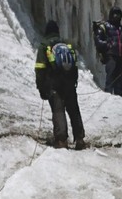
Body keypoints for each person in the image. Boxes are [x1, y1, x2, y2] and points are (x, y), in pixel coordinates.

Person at [33, 19, 87, 149]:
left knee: (58, 110)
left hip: (54, 84)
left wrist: (41, 87)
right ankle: (80, 139)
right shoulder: (67, 45)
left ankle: (61, 140)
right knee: (73, 109)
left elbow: (40, 68)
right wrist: (74, 82)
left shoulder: (45, 45)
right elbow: (74, 66)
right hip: (69, 83)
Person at [92, 7, 122, 96]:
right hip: (111, 55)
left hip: (121, 57)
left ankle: (119, 98)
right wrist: (108, 45)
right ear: (111, 15)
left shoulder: (121, 29)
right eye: (114, 14)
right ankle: (108, 95)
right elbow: (98, 40)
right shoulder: (105, 26)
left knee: (119, 80)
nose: (116, 16)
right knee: (110, 76)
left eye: (118, 14)